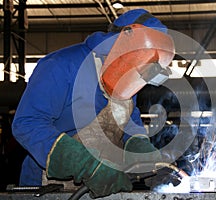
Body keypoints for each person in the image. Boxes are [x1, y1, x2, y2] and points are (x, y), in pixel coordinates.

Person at [12, 9, 175, 198]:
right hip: (48, 187)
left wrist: (150, 162)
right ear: (123, 43)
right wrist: (86, 165)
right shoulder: (61, 65)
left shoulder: (127, 80)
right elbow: (26, 123)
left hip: (103, 186)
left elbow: (130, 126)